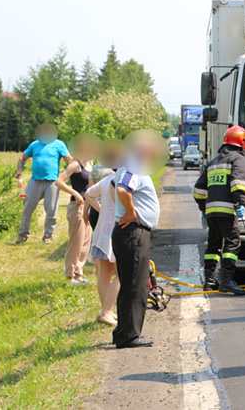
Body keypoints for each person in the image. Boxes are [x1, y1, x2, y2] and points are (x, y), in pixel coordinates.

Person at [112, 131, 162, 348]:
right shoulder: (133, 167)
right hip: (133, 232)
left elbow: (118, 186)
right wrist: (131, 211)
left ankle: (124, 332)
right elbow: (122, 189)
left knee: (131, 284)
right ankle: (129, 335)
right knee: (136, 286)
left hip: (132, 233)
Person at [192, 125, 245, 295]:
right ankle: (227, 281)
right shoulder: (238, 159)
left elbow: (198, 190)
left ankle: (209, 282)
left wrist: (204, 209)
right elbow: (238, 183)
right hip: (227, 211)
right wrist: (241, 203)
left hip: (212, 213)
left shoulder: (213, 162)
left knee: (214, 246)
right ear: (243, 142)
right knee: (232, 244)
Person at [15, 124, 73, 244]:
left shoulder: (59, 144)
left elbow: (68, 158)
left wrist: (73, 169)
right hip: (35, 181)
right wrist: (19, 170)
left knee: (51, 210)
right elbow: (22, 157)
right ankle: (22, 235)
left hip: (52, 182)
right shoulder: (34, 144)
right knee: (27, 207)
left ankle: (48, 235)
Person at [55, 133, 97, 284]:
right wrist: (74, 193)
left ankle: (79, 272)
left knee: (86, 241)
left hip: (88, 206)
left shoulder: (91, 164)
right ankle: (70, 274)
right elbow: (59, 181)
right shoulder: (75, 164)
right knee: (76, 241)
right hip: (77, 206)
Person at [84, 165, 119, 326]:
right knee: (121, 274)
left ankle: (106, 311)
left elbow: (88, 194)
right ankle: (107, 311)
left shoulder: (106, 180)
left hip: (101, 233)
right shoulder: (123, 180)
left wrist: (101, 208)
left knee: (104, 275)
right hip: (116, 232)